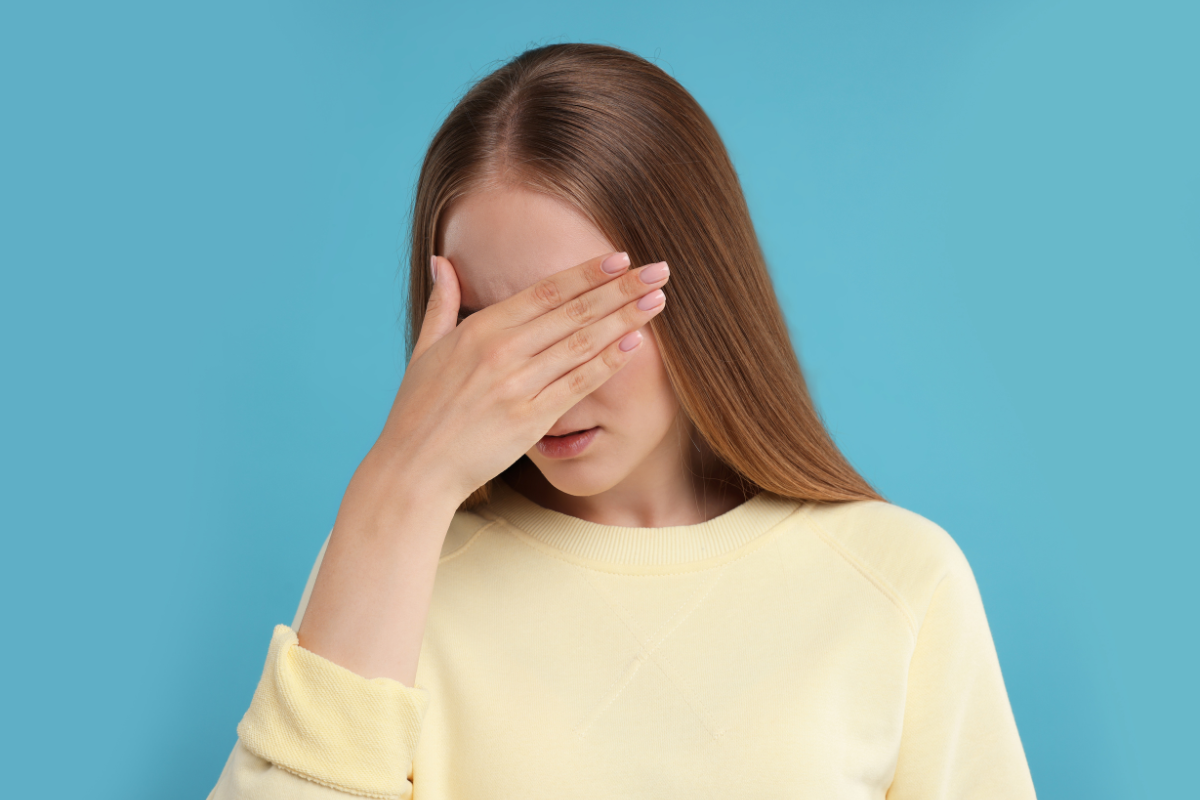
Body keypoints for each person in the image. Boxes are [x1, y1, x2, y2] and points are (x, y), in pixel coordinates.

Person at [207, 42, 1037, 799]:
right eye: (489, 336)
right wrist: (400, 483)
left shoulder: (900, 584)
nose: (540, 388)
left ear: (700, 289)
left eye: (584, 320)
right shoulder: (389, 569)